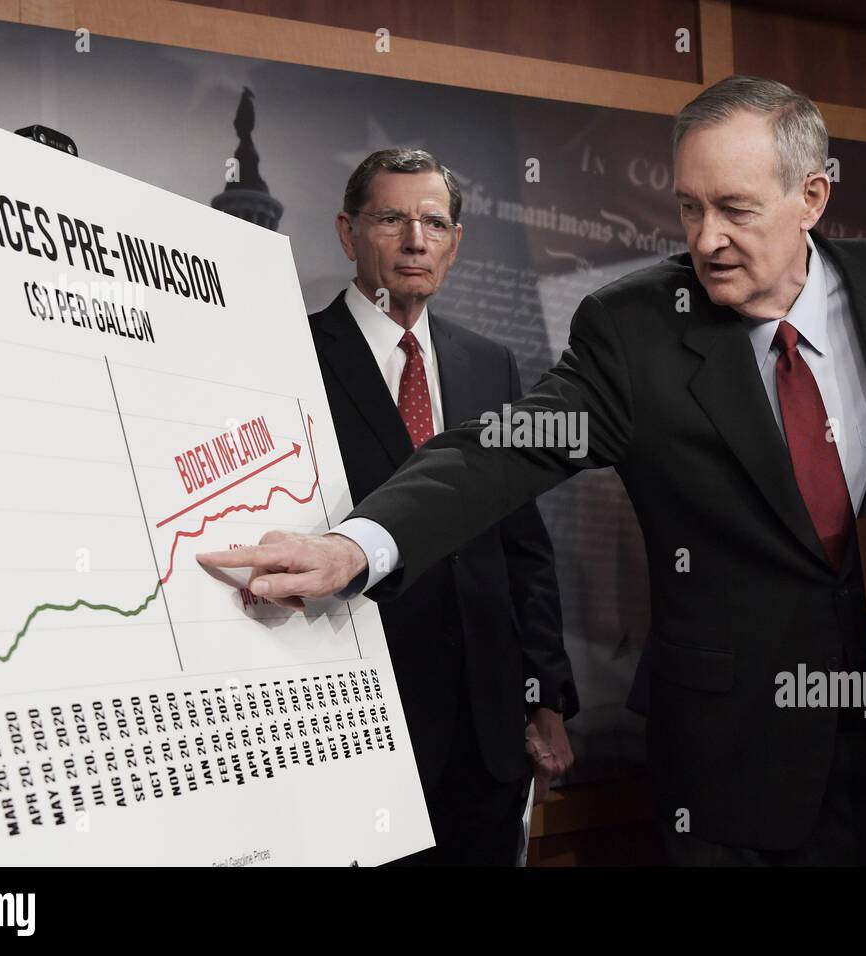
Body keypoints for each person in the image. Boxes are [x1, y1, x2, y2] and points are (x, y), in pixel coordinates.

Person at [201, 76, 866, 866]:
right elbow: (508, 446)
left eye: (735, 209)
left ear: (812, 198)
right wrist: (358, 547)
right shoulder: (634, 329)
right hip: (731, 776)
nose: (705, 239)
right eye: (688, 207)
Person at [307, 147, 577, 865]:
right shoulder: (296, 352)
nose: (415, 240)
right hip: (359, 727)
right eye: (391, 219)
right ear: (347, 232)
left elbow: (524, 544)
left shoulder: (489, 364)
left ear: (456, 242)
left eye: (433, 222)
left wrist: (545, 697)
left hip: (487, 738)